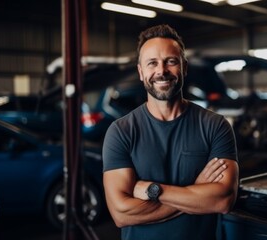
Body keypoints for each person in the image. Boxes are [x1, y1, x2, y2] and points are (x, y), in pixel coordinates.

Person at [102, 24, 239, 240]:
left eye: (171, 61)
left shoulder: (215, 126)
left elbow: (222, 200)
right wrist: (196, 191)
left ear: (184, 67)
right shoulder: (121, 132)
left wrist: (154, 190)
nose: (161, 71)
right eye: (152, 63)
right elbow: (121, 214)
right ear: (141, 72)